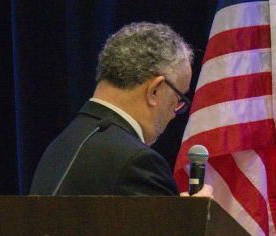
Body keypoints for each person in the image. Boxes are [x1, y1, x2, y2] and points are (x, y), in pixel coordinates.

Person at [29, 22, 195, 196]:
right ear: (154, 90)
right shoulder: (137, 162)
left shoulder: (59, 147)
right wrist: (198, 215)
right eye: (178, 98)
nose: (175, 113)